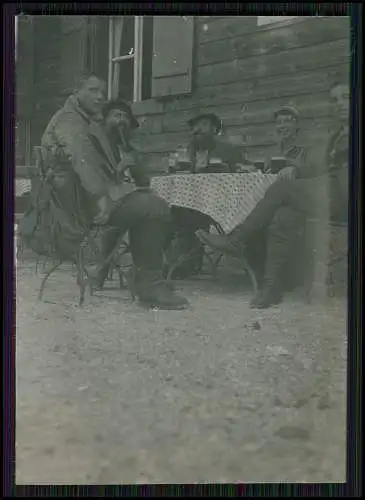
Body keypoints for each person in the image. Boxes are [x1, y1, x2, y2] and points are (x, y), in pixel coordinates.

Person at [21, 73, 188, 310]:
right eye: (93, 90)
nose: (100, 96)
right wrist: (101, 198)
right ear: (77, 91)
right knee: (153, 207)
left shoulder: (86, 120)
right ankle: (148, 285)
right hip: (75, 208)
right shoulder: (70, 120)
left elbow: (102, 167)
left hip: (81, 201)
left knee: (148, 201)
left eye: (102, 91)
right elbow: (82, 161)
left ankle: (147, 279)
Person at [197, 81, 349, 308]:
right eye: (335, 100)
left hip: (345, 195)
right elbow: (320, 166)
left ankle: (237, 240)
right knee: (282, 215)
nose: (340, 104)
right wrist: (296, 169)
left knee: (282, 188)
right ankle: (272, 287)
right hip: (329, 193)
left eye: (346, 97)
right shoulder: (338, 134)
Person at [167, 112, 248, 279]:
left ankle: (186, 262)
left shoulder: (228, 149)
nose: (198, 129)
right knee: (174, 212)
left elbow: (244, 172)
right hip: (191, 201)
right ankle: (182, 262)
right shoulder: (186, 151)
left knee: (184, 214)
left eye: (203, 124)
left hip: (222, 202)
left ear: (214, 129)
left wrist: (228, 170)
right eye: (195, 125)